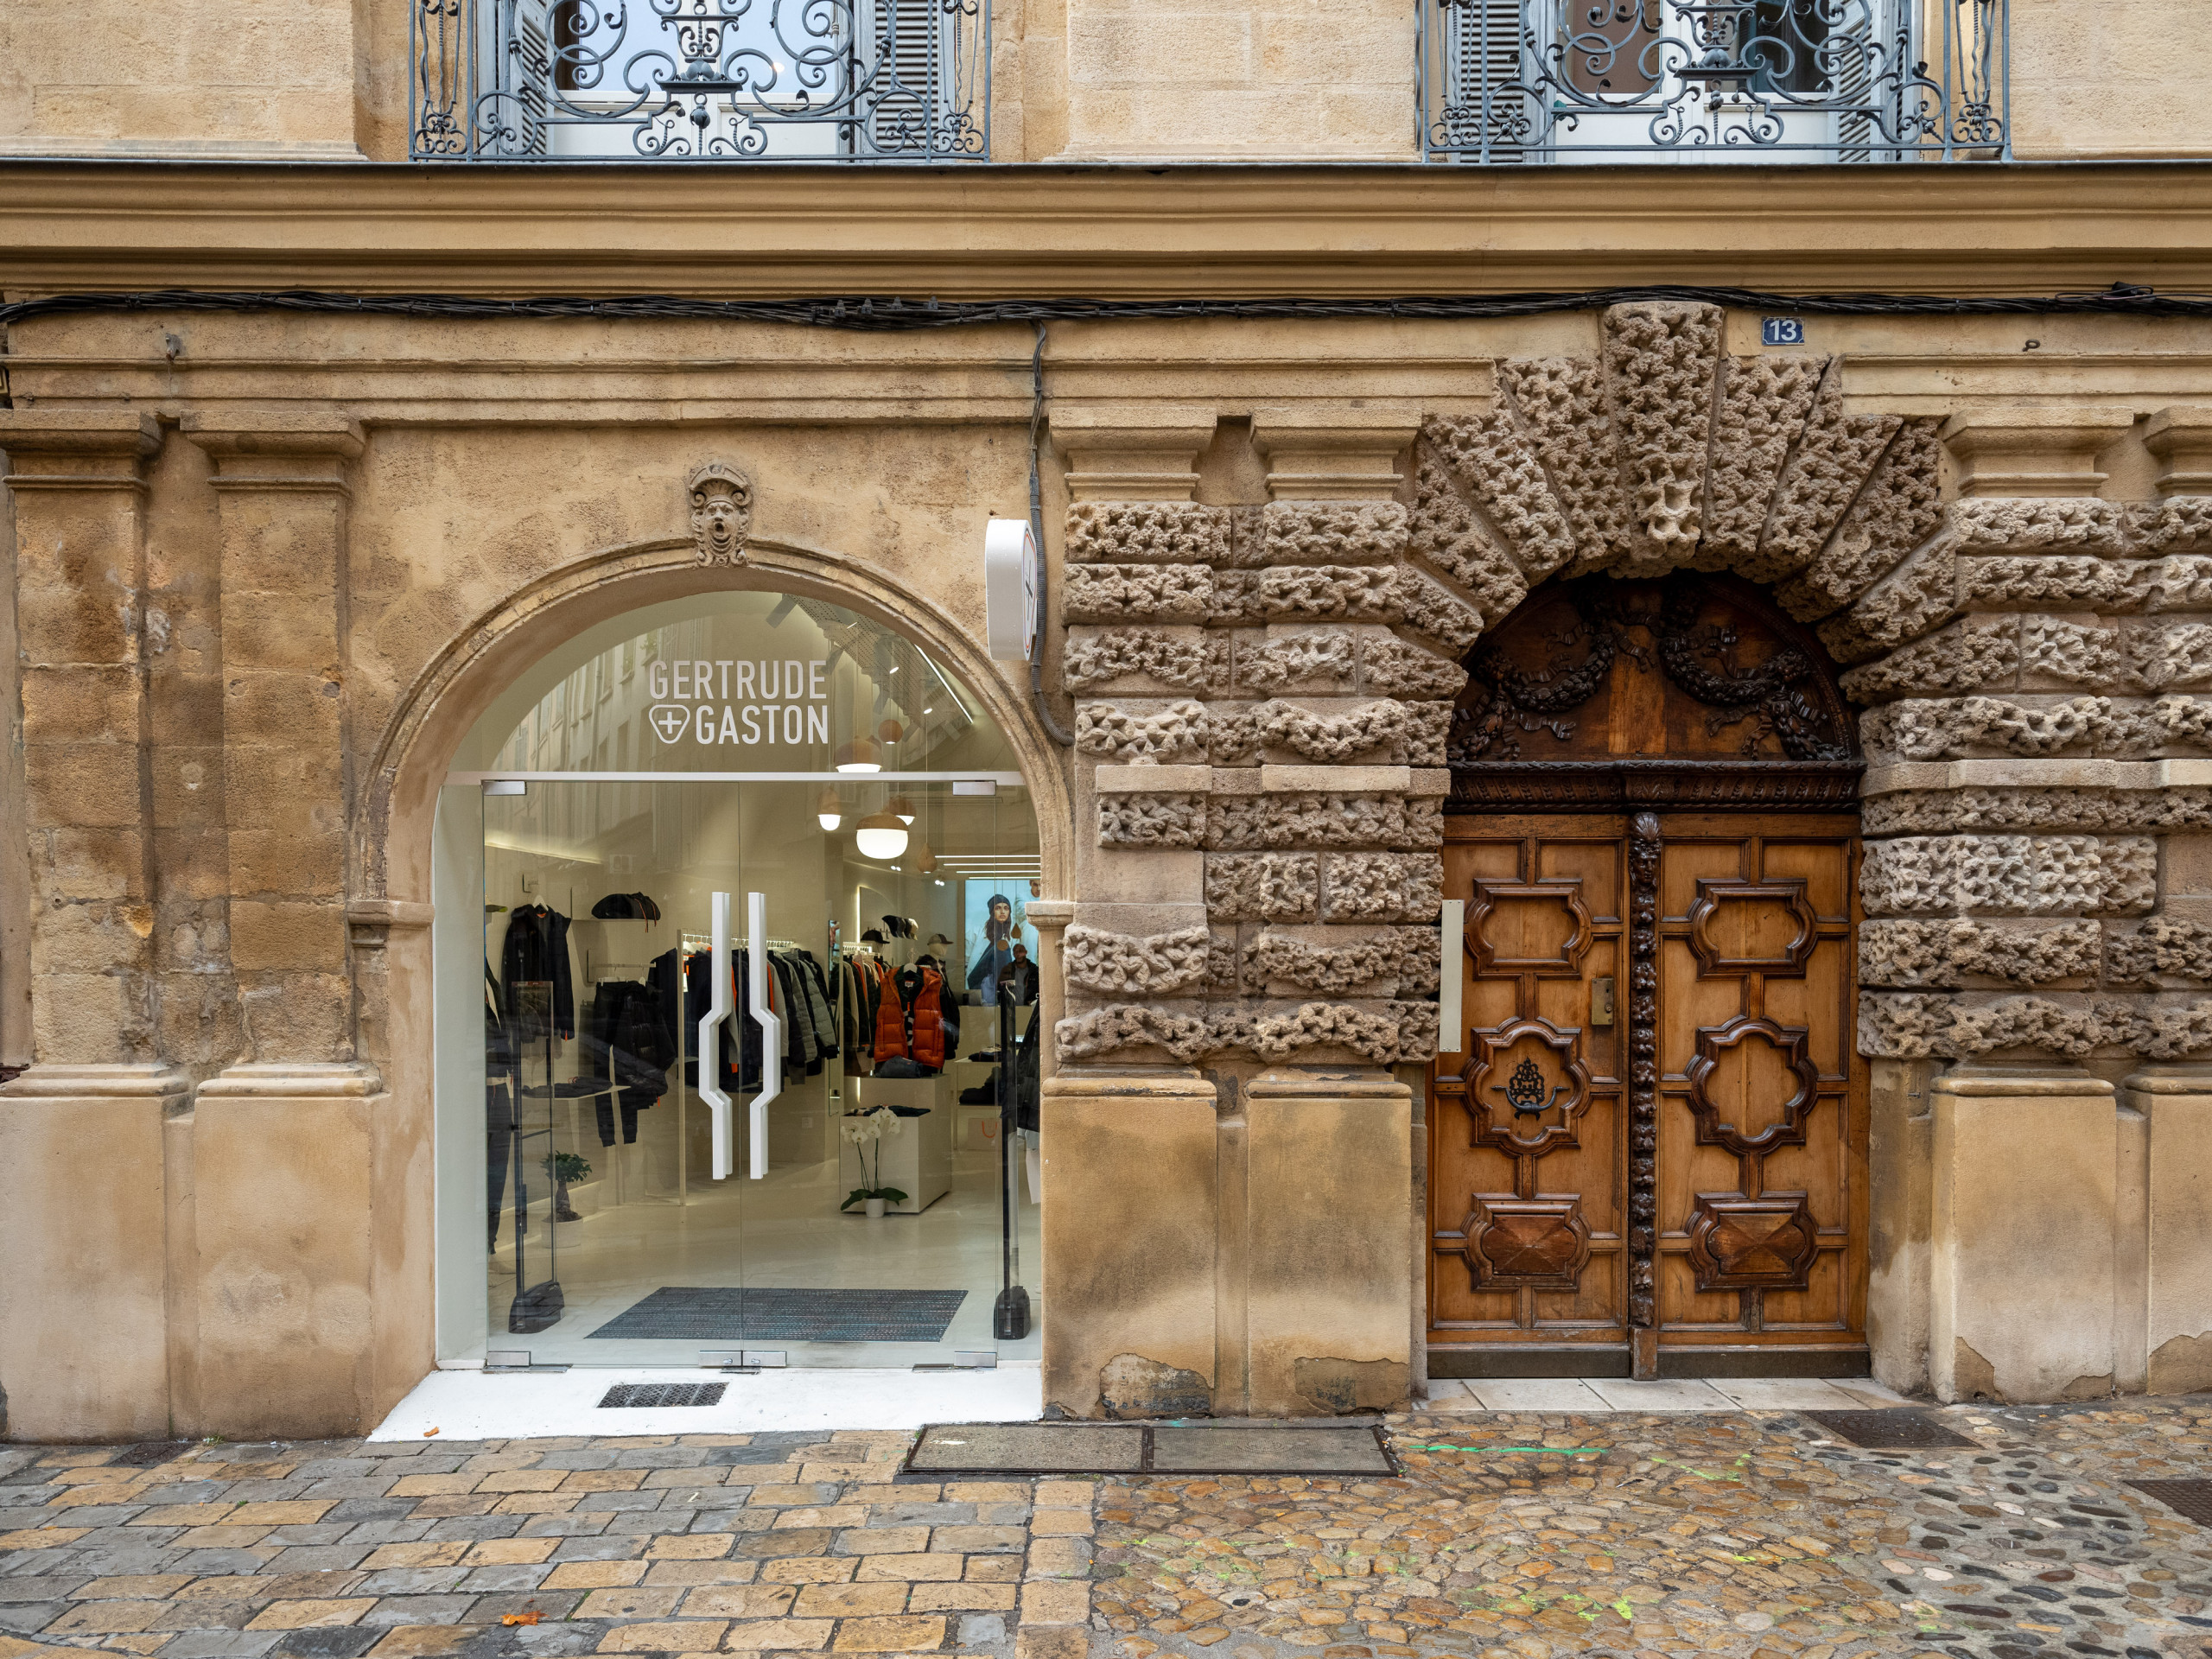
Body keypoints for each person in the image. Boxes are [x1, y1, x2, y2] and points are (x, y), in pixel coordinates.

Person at [967, 892, 1017, 1001]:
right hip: (979, 980)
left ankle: (1006, 996)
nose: (1002, 912)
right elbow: (965, 960)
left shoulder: (1013, 936)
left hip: (999, 981)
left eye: (1006, 908)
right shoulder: (977, 931)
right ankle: (1006, 995)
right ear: (992, 912)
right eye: (998, 908)